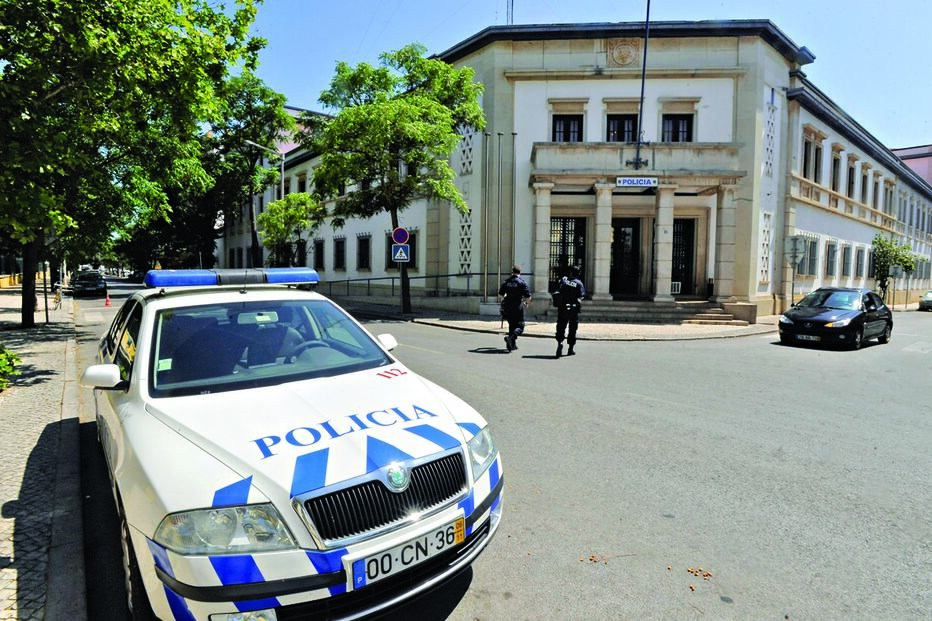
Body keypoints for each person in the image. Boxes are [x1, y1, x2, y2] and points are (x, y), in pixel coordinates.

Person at [498, 264, 532, 352]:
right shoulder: (522, 282)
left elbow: (501, 294)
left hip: (508, 306)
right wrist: (526, 303)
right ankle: (510, 338)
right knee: (520, 326)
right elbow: (528, 296)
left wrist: (505, 297)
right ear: (520, 273)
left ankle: (512, 345)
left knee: (512, 325)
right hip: (517, 306)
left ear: (512, 272)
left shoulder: (506, 281)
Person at [555, 264, 585, 357]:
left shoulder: (564, 280)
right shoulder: (579, 283)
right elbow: (581, 296)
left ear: (571, 272)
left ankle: (560, 342)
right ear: (578, 273)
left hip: (563, 307)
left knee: (561, 326)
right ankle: (570, 349)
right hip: (573, 308)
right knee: (572, 328)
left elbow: (559, 289)